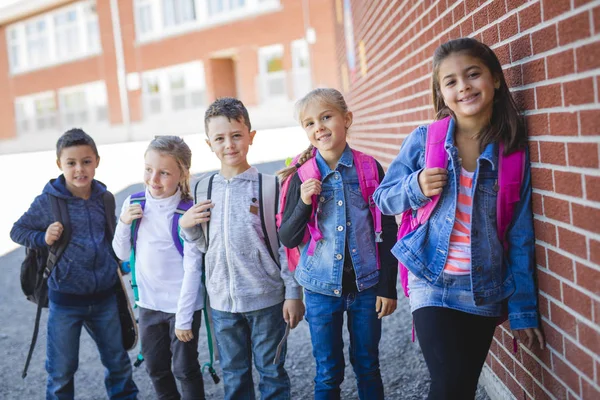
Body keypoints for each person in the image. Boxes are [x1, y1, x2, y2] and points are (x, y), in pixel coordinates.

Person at [373, 37, 545, 399]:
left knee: (462, 388)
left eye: (472, 75)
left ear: (495, 79)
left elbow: (520, 236)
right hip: (431, 281)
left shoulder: (512, 155)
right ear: (441, 92)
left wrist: (524, 310)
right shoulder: (425, 140)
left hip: (483, 289)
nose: (463, 86)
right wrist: (416, 185)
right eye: (450, 81)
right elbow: (383, 199)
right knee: (449, 385)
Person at [179, 97, 304, 400]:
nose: (229, 145)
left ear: (251, 136)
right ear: (209, 143)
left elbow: (285, 246)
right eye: (220, 138)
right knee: (234, 377)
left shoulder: (269, 187)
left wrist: (293, 293)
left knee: (272, 373)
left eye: (236, 135)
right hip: (222, 305)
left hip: (266, 302)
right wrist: (188, 227)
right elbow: (202, 246)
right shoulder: (201, 188)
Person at [278, 88, 398, 400]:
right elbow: (288, 237)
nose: (318, 126)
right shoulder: (301, 176)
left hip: (366, 286)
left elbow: (386, 227)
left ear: (347, 119)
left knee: (368, 364)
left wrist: (388, 286)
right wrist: (305, 201)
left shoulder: (369, 168)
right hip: (319, 291)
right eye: (309, 123)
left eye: (326, 117)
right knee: (328, 370)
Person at [10, 128, 138, 400]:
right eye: (71, 163)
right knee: (61, 371)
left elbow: (111, 238)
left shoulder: (105, 197)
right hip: (65, 302)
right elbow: (17, 231)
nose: (80, 169)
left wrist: (125, 261)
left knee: (118, 363)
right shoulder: (48, 202)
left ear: (97, 161)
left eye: (86, 161)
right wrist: (42, 237)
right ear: (60, 165)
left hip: (105, 299)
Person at [112, 136, 207, 400]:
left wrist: (185, 317)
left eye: (164, 173)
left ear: (182, 174)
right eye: (148, 169)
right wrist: (123, 223)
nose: (153, 179)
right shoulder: (134, 202)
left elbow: (192, 270)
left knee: (185, 369)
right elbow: (120, 254)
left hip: (182, 306)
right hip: (149, 306)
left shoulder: (186, 212)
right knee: (156, 369)